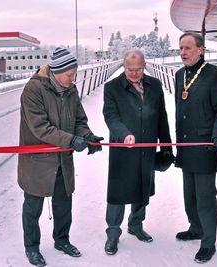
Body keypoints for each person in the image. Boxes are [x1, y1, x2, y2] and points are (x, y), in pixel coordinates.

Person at [18, 47, 103, 267]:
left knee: (64, 202)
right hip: (37, 161)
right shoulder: (33, 90)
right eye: (69, 75)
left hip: (62, 159)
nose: (72, 78)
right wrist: (72, 141)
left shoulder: (71, 90)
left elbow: (78, 120)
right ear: (56, 72)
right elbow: (40, 128)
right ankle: (32, 247)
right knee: (33, 206)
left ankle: (62, 240)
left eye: (74, 74)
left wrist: (87, 136)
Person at [102, 48, 173, 255]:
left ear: (145, 66)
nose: (134, 73)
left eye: (138, 69)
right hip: (123, 149)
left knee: (142, 188)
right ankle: (113, 233)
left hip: (146, 147)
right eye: (129, 69)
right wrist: (124, 134)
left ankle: (136, 225)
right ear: (123, 66)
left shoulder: (155, 85)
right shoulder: (112, 88)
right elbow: (111, 116)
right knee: (118, 192)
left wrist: (166, 146)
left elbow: (162, 116)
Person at [174, 32, 217, 263]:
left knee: (205, 197)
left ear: (200, 50)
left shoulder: (215, 75)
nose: (183, 52)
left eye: (188, 48)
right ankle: (196, 227)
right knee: (189, 194)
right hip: (186, 145)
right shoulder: (180, 75)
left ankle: (208, 242)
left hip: (206, 145)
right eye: (181, 48)